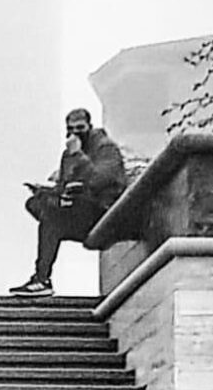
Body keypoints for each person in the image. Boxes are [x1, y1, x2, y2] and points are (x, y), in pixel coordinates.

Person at [9, 107, 126, 297]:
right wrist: (44, 191)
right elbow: (64, 185)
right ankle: (42, 279)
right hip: (77, 209)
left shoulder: (105, 148)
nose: (74, 133)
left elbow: (99, 180)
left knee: (51, 217)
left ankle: (41, 279)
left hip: (102, 211)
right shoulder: (68, 154)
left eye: (79, 128)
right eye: (70, 129)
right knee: (40, 208)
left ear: (89, 126)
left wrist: (78, 156)